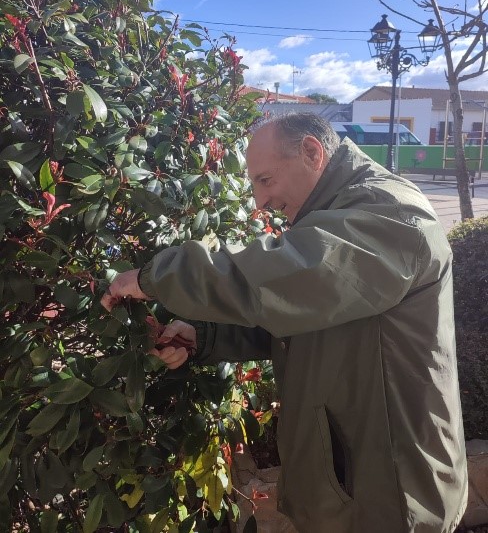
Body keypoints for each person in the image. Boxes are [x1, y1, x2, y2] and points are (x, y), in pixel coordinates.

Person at [101, 113, 468, 533]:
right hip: (354, 490)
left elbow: (289, 274)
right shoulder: (335, 215)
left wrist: (155, 278)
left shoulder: (390, 214)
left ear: (312, 152)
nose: (259, 201)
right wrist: (203, 335)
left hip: (391, 497)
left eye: (265, 179)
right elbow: (304, 318)